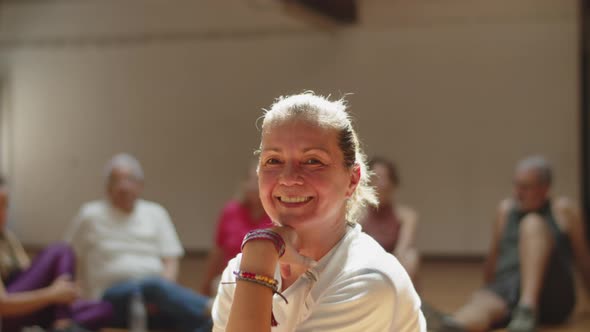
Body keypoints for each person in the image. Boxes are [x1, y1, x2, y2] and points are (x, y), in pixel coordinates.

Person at [211, 92, 426, 331]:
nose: (289, 178)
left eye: (313, 161)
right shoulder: (243, 266)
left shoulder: (368, 278)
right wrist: (257, 257)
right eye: (273, 160)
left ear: (352, 180)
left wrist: (257, 261)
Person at [431, 156, 590, 332]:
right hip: (510, 287)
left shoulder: (564, 210)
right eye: (516, 185)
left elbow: (583, 260)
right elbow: (494, 258)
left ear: (545, 189)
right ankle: (447, 326)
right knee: (480, 306)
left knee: (531, 224)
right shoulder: (505, 210)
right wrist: (488, 292)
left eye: (526, 187)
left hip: (552, 290)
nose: (517, 193)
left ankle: (527, 307)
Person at [65, 153, 212, 332]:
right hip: (109, 299)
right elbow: (69, 257)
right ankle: (213, 307)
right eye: (116, 181)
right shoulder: (90, 215)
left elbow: (170, 260)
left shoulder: (156, 213)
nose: (123, 187)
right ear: (107, 187)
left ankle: (213, 314)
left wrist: (162, 295)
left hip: (155, 297)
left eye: (130, 180)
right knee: (152, 286)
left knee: (198, 322)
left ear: (140, 185)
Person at [0, 176, 112, 332]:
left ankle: (61, 320)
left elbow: (29, 275)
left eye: (5, 205)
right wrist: (52, 294)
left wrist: (66, 291)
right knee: (61, 250)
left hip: (29, 309)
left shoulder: (7, 238)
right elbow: (2, 305)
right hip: (7, 315)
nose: (3, 212)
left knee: (104, 308)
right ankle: (63, 321)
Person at [200, 161, 273, 296]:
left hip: (267, 280)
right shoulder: (231, 210)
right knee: (220, 287)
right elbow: (218, 252)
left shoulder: (278, 215)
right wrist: (205, 285)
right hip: (231, 277)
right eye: (249, 180)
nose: (253, 185)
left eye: (258, 180)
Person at [361, 156, 420, 284]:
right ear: (367, 181)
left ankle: (402, 300)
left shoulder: (407, 216)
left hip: (395, 268)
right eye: (376, 178)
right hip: (366, 266)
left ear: (393, 183)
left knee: (411, 257)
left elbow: (403, 250)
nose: (381, 184)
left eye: (385, 178)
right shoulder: (358, 215)